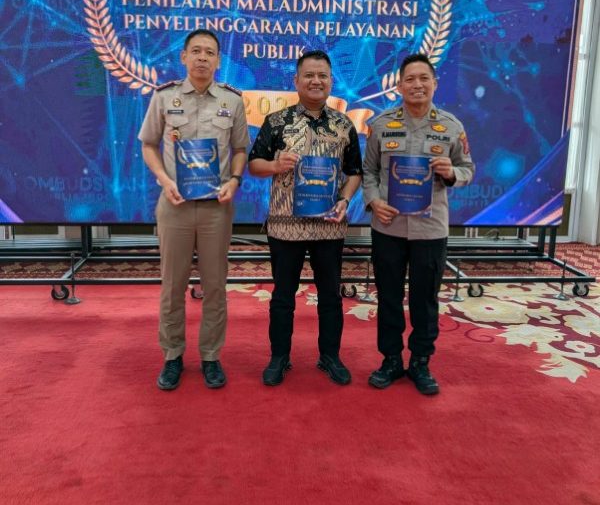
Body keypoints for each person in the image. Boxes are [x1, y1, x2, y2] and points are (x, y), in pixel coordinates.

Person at [138, 28, 249, 391]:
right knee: (173, 285)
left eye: (210, 52)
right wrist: (163, 180)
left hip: (217, 208)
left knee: (215, 285)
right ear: (183, 57)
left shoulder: (232, 101)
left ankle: (211, 356)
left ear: (218, 60)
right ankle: (172, 355)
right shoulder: (164, 97)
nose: (203, 57)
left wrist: (235, 180)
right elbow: (148, 144)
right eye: (196, 51)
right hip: (176, 206)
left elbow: (240, 149)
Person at [248, 50, 363, 386]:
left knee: (330, 296)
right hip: (286, 225)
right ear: (296, 81)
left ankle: (330, 356)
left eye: (322, 75)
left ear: (331, 81)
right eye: (309, 75)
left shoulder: (344, 125)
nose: (316, 81)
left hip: (329, 226)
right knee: (283, 296)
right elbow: (254, 164)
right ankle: (279, 357)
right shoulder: (276, 121)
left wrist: (345, 199)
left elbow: (355, 172)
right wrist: (275, 165)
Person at [363, 53, 474, 394]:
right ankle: (391, 360)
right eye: (410, 79)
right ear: (399, 86)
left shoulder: (452, 127)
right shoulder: (380, 124)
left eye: (424, 78)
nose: (417, 85)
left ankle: (421, 361)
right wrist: (373, 201)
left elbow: (468, 169)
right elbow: (369, 171)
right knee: (389, 297)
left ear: (435, 83)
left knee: (425, 299)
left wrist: (452, 172)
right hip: (389, 227)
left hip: (430, 229)